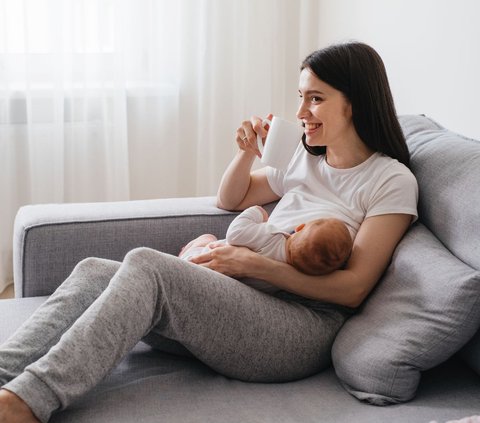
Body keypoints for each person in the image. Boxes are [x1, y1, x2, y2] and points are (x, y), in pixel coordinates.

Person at [0, 41, 418, 423]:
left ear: (355, 103)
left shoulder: (389, 180)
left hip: (300, 328)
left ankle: (27, 403)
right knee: (94, 270)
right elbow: (230, 199)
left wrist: (255, 264)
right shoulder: (304, 158)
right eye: (300, 97)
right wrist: (245, 153)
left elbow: (354, 289)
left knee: (149, 267)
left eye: (316, 98)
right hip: (244, 300)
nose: (301, 112)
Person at [179, 205, 353, 293]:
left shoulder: (271, 237)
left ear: (299, 228)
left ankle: (187, 251)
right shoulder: (285, 279)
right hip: (224, 285)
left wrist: (256, 212)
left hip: (202, 262)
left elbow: (235, 233)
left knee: (207, 239)